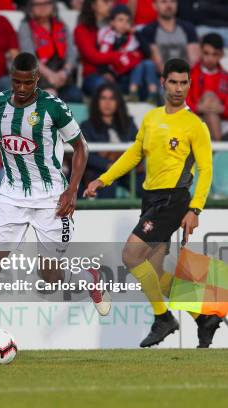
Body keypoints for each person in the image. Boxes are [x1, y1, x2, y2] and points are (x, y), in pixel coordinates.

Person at [0, 53, 109, 364]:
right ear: (11, 78)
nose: (21, 88)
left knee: (50, 277)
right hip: (11, 196)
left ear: (38, 79)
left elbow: (81, 147)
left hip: (51, 198)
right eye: (16, 82)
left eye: (27, 82)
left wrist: (72, 190)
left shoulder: (53, 107)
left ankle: (90, 279)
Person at [84, 58, 221, 348]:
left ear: (189, 84)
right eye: (173, 82)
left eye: (184, 82)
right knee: (157, 276)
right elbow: (135, 153)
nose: (178, 88)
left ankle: (163, 319)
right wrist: (103, 180)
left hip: (173, 198)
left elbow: (206, 170)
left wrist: (195, 209)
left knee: (131, 256)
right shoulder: (151, 118)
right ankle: (204, 316)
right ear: (163, 82)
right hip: (150, 198)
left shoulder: (194, 125)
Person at [80, 83, 139, 198]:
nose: (107, 103)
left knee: (144, 183)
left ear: (118, 102)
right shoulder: (87, 126)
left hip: (128, 170)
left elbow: (139, 147)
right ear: (97, 102)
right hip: (101, 171)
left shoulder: (129, 124)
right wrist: (108, 165)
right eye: (103, 98)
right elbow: (86, 155)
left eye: (112, 98)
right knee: (105, 183)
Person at [18, 0, 83, 102]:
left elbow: (72, 53)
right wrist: (50, 76)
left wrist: (64, 73)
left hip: (63, 79)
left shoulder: (61, 25)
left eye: (46, 3)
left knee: (75, 95)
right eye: (37, 4)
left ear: (52, 5)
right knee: (48, 98)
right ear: (31, 7)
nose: (42, 7)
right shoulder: (25, 26)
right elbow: (29, 57)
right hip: (38, 80)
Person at [97, 5, 158, 102]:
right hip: (118, 76)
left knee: (148, 63)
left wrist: (136, 34)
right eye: (120, 20)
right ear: (112, 22)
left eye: (127, 21)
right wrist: (106, 73)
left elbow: (147, 53)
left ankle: (153, 94)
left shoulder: (134, 37)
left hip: (134, 75)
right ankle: (134, 93)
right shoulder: (108, 37)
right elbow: (102, 58)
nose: (124, 24)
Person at [74, 0, 122, 96]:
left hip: (116, 73)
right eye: (105, 2)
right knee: (104, 86)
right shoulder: (82, 29)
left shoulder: (115, 27)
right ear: (93, 5)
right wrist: (118, 56)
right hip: (92, 76)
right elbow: (93, 56)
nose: (111, 4)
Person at [186, 33, 228, 142]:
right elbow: (182, 101)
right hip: (194, 115)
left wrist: (223, 109)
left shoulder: (226, 77)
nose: (210, 58)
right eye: (206, 53)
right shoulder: (189, 74)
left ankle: (215, 147)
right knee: (209, 96)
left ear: (222, 55)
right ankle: (218, 147)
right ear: (200, 51)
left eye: (215, 54)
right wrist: (198, 108)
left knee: (210, 103)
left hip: (218, 116)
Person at [140, 0, 199, 75]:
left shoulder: (188, 28)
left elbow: (194, 61)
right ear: (154, 5)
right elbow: (157, 63)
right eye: (164, 2)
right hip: (161, 79)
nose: (169, 5)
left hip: (187, 78)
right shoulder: (148, 31)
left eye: (172, 1)